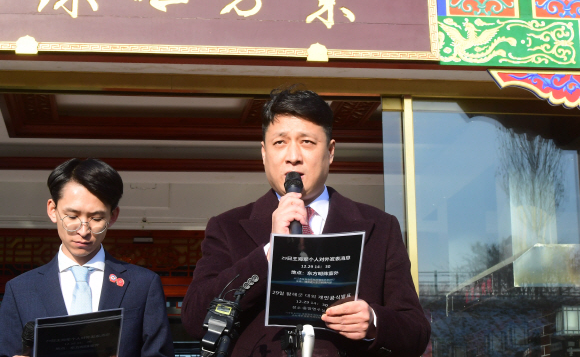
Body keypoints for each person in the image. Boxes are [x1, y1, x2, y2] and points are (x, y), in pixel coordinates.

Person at [182, 87, 431, 357]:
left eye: (307, 142)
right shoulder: (228, 227)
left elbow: (416, 332)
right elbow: (195, 319)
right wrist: (268, 253)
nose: (293, 156)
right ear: (264, 153)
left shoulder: (380, 227)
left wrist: (373, 322)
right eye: (280, 143)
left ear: (331, 151)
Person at [0, 158, 174, 357]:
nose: (83, 230)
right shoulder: (21, 289)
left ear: (113, 216)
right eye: (72, 217)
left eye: (96, 218)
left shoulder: (143, 284)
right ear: (52, 210)